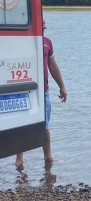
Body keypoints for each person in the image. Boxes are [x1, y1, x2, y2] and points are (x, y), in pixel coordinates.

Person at [15, 19, 67, 167]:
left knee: (45, 124)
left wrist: (62, 87)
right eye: (43, 23)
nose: (46, 26)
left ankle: (48, 157)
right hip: (24, 89)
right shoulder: (22, 42)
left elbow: (53, 66)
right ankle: (19, 160)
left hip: (43, 91)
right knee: (21, 124)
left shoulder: (47, 43)